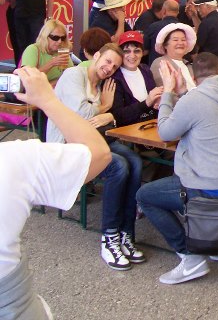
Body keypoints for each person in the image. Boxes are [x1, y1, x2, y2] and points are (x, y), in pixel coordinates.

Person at [136, 53, 218, 284]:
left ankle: (191, 258)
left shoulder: (194, 100)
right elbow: (202, 111)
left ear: (195, 79)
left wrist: (168, 92)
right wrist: (183, 93)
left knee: (145, 196)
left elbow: (165, 132)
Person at [0, 66, 111, 319]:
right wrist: (49, 100)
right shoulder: (14, 160)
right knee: (121, 167)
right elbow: (99, 153)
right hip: (18, 310)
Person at [49, 43, 146, 271]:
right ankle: (109, 237)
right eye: (108, 61)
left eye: (115, 66)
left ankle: (126, 233)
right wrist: (105, 106)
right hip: (67, 144)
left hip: (92, 140)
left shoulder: (103, 83)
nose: (110, 68)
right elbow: (82, 113)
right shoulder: (74, 75)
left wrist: (105, 112)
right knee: (118, 166)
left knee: (135, 162)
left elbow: (107, 118)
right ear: (97, 55)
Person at [110, 31, 163, 126]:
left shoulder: (145, 70)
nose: (132, 55)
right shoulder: (115, 78)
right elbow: (117, 116)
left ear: (142, 53)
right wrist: (147, 103)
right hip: (128, 132)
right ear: (120, 53)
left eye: (136, 51)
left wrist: (158, 102)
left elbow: (154, 102)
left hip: (152, 125)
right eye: (126, 51)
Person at [19, 18, 73, 85]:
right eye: (55, 38)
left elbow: (71, 74)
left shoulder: (62, 50)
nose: (59, 41)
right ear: (45, 36)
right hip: (36, 89)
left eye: (62, 38)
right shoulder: (33, 49)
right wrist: (52, 63)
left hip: (56, 88)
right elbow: (28, 78)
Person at [150, 23, 197, 93]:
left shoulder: (189, 64)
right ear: (165, 45)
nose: (180, 43)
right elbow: (165, 92)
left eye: (183, 40)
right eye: (175, 40)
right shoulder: (160, 63)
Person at [143, 0, 180, 64]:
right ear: (178, 12)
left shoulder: (153, 27)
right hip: (178, 66)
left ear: (164, 11)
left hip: (157, 66)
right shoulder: (184, 28)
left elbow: (145, 50)